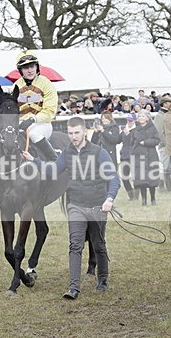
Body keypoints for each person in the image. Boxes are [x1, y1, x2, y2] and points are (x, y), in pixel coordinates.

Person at [21, 117, 120, 299]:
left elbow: (114, 178)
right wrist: (34, 159)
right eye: (70, 133)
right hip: (76, 205)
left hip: (98, 205)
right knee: (75, 245)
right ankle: (73, 288)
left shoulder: (99, 153)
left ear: (84, 132)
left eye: (77, 133)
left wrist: (109, 198)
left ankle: (103, 279)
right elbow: (53, 170)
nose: (73, 137)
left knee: (98, 244)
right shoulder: (66, 153)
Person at [14, 51, 58, 161]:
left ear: (37, 67)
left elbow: (49, 111)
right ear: (20, 70)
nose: (29, 70)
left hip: (41, 124)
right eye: (25, 67)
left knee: (34, 134)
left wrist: (33, 119)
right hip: (21, 124)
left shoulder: (46, 83)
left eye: (32, 66)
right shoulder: (16, 86)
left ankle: (54, 160)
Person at [129, 110, 161, 206]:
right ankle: (144, 200)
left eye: (143, 116)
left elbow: (157, 140)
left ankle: (153, 198)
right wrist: (133, 152)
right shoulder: (135, 130)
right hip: (139, 157)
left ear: (147, 118)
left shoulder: (153, 128)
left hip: (151, 156)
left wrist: (146, 142)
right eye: (139, 116)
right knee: (141, 179)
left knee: (151, 179)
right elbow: (131, 143)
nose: (141, 118)